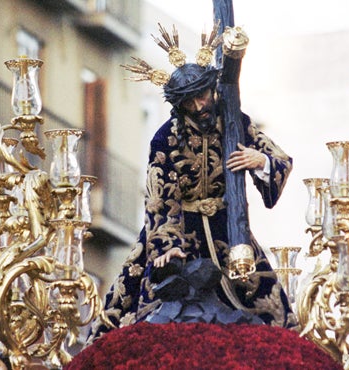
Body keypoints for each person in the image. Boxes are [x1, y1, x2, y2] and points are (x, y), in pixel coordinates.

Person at [87, 25, 294, 343]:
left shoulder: (235, 121)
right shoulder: (164, 139)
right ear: (178, 104)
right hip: (180, 230)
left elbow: (279, 159)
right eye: (189, 102)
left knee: (274, 319)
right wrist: (167, 247)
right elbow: (159, 197)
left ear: (212, 90)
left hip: (230, 230)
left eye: (202, 96)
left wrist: (259, 161)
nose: (199, 106)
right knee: (137, 316)